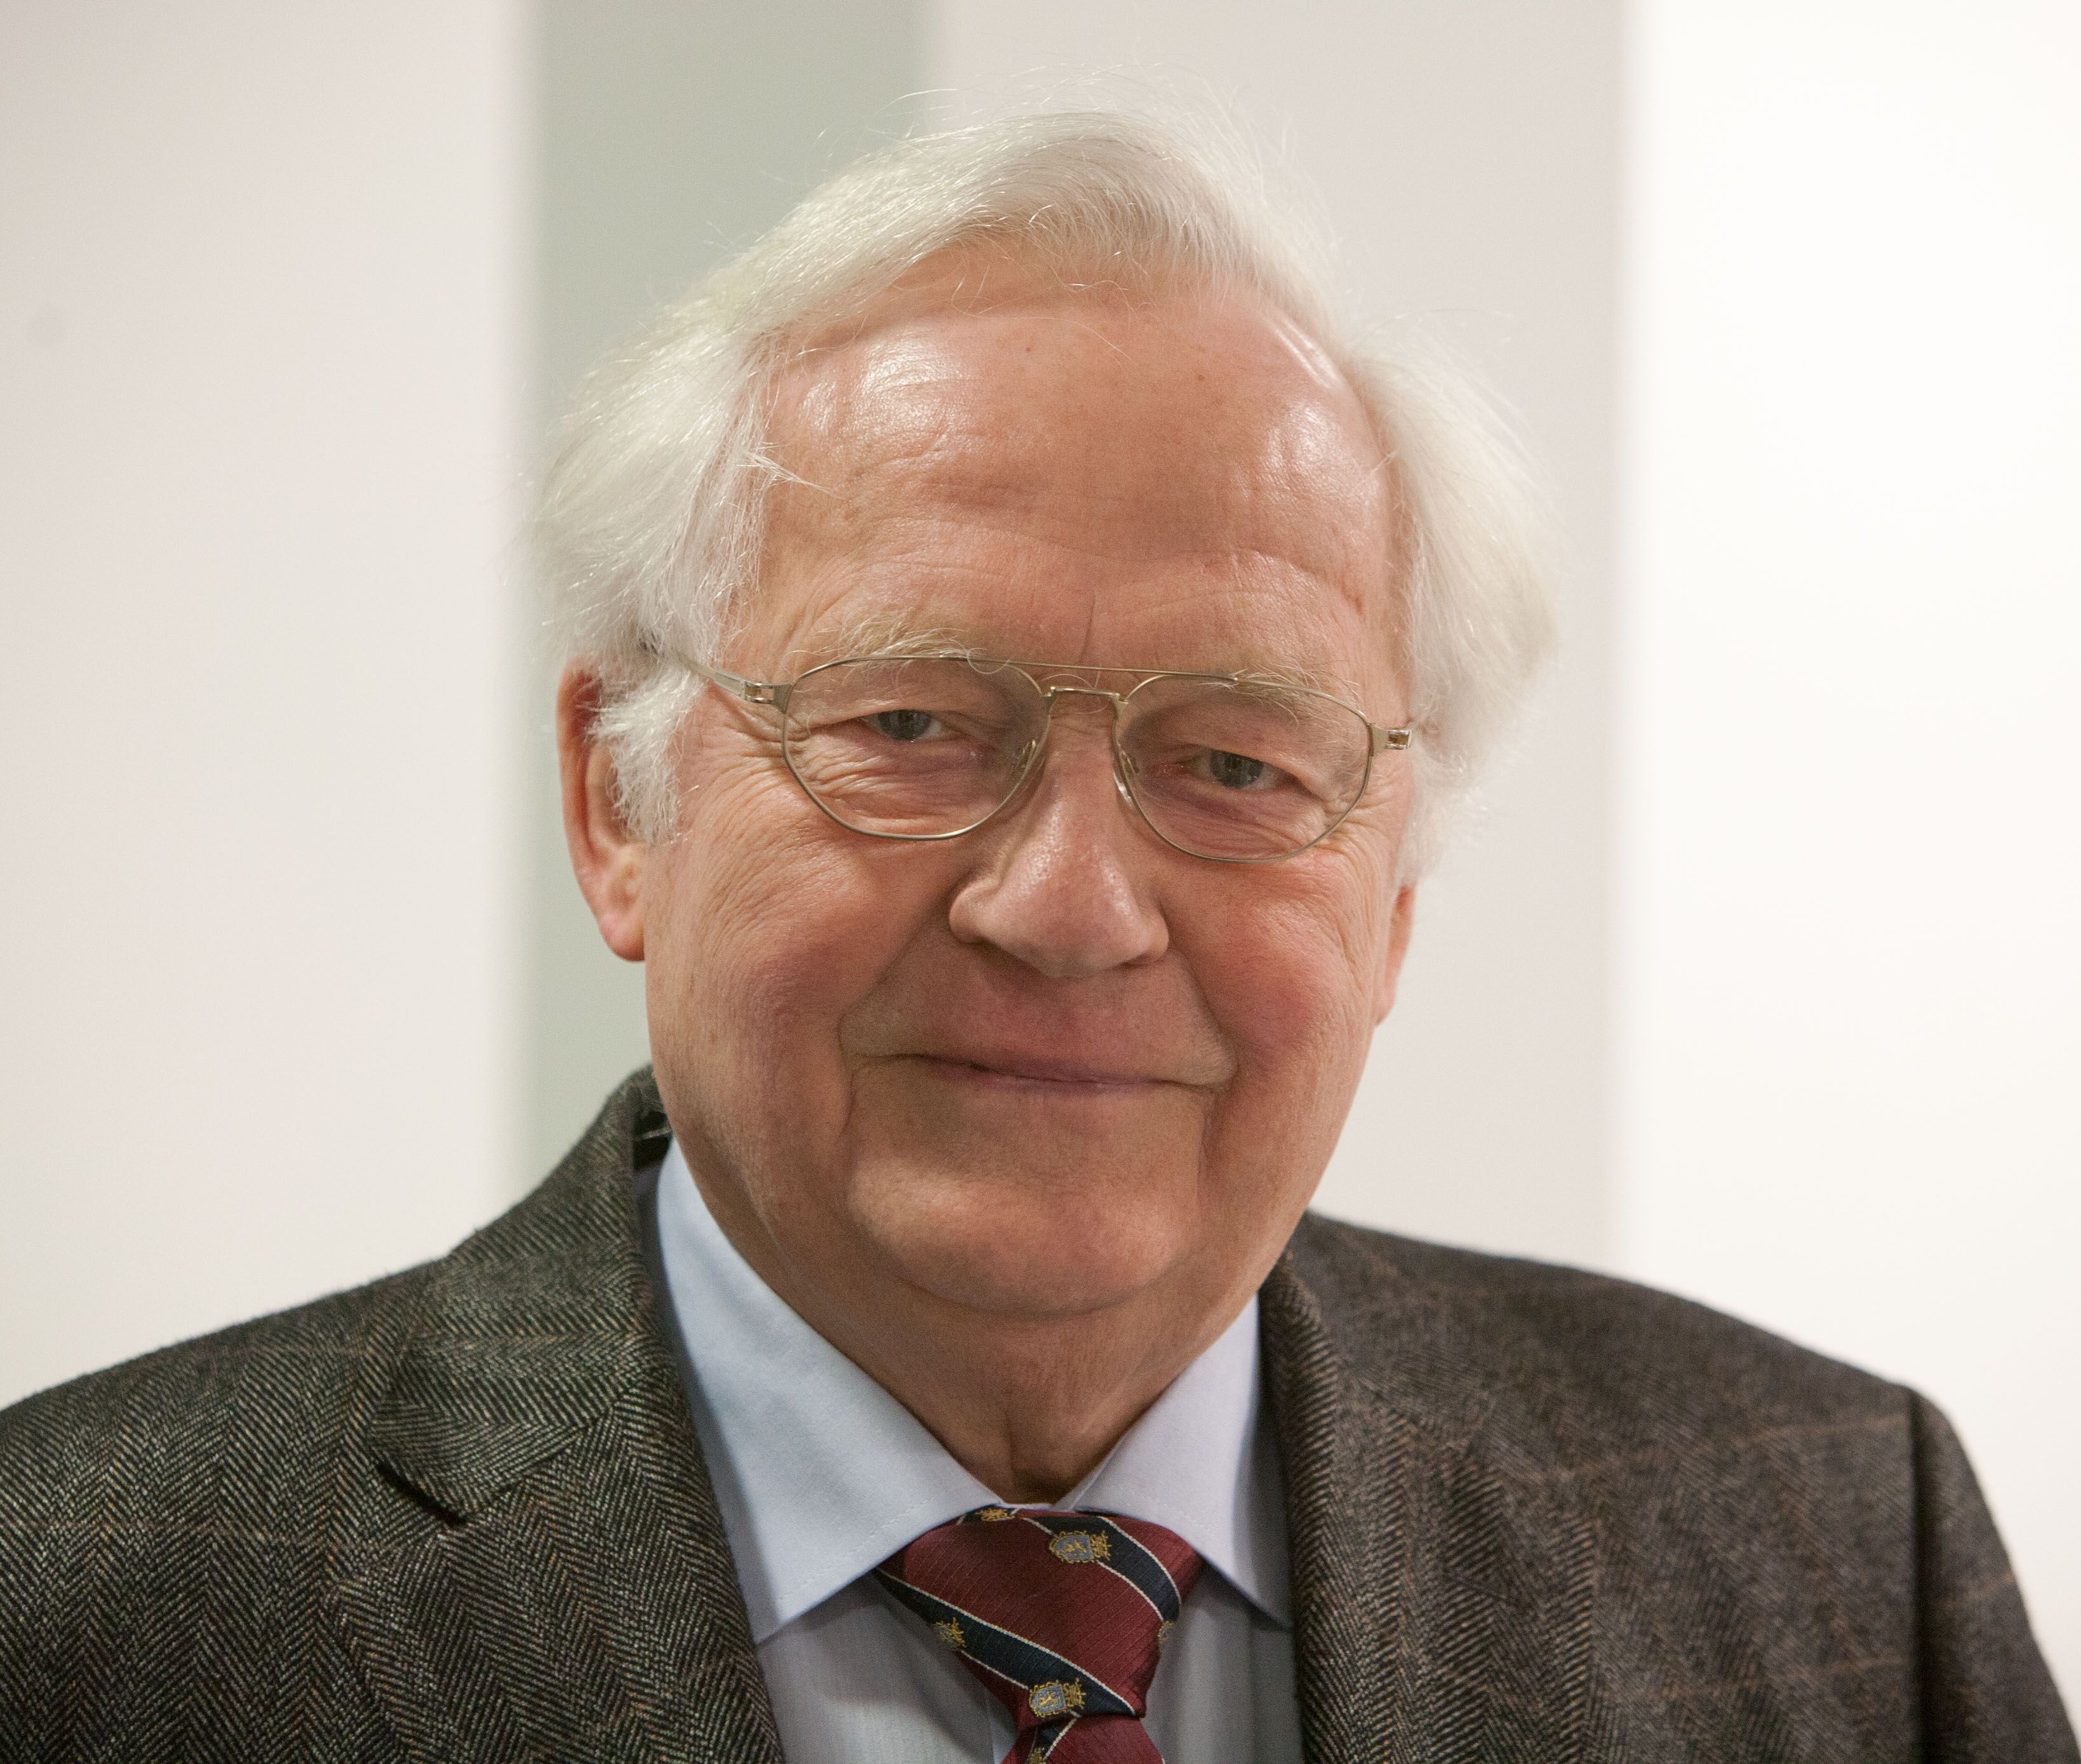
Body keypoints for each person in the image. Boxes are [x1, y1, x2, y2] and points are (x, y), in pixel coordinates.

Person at [1, 110, 2072, 1763]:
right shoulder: (74, 1615)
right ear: (618, 802)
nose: (1071, 906)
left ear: (1395, 892)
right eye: (911, 725)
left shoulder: (1830, 1549)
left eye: (1238, 760)